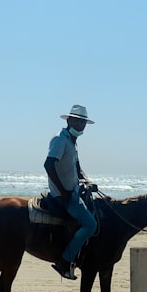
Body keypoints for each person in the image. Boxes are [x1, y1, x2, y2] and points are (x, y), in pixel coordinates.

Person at [44, 104, 97, 280]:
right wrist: (62, 191)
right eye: (78, 121)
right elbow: (49, 165)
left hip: (73, 192)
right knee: (91, 225)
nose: (81, 126)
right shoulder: (60, 140)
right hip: (63, 196)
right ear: (69, 120)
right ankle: (65, 261)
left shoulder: (72, 143)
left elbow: (77, 168)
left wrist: (87, 181)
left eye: (83, 123)